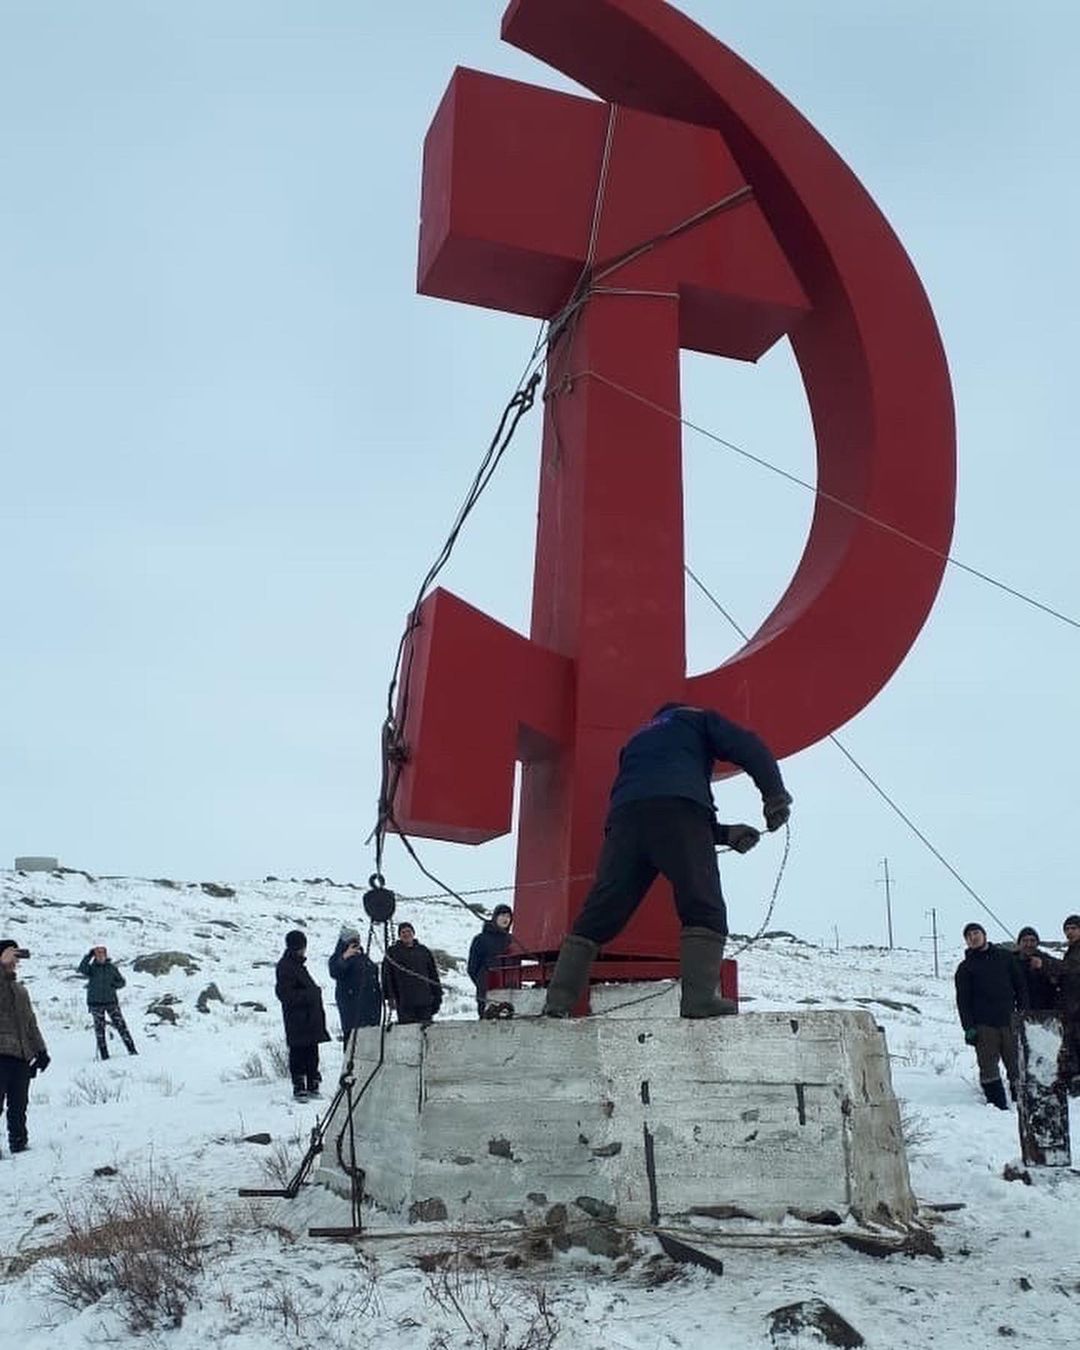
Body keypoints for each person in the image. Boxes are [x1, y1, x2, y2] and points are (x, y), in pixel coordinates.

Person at [542, 703, 792, 1019]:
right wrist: (775, 796)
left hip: (624, 821)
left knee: (600, 913)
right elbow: (749, 747)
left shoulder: (637, 739)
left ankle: (557, 1002)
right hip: (680, 811)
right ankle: (699, 1001)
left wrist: (725, 834)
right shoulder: (699, 719)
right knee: (704, 905)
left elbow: (656, 807)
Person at [954, 921, 1026, 1109]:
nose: (973, 937)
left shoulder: (1005, 958)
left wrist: (1023, 1013)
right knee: (988, 1068)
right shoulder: (965, 968)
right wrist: (968, 1027)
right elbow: (963, 1002)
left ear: (984, 935)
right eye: (969, 936)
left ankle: (1022, 1103)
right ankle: (997, 1106)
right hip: (983, 1026)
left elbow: (1020, 987)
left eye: (976, 933)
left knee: (1016, 1066)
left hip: (1009, 1021)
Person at [0, 940, 49, 1155]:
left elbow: (30, 1023)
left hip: (21, 1055)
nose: (15, 961)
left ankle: (19, 1143)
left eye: (16, 958)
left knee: (19, 1105)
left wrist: (40, 1051)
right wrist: (2, 966)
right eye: (12, 956)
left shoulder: (21, 990)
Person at [275, 930, 330, 1101]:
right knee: (299, 1052)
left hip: (308, 1019)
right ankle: (300, 1087)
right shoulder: (286, 966)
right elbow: (285, 994)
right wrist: (311, 994)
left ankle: (313, 1084)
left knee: (311, 1052)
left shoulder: (296, 965)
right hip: (298, 1019)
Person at [1041, 914, 1080, 1094]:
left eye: (1073, 928)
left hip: (1076, 1010)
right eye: (1067, 929)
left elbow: (1070, 968)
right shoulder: (1071, 950)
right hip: (1070, 1010)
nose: (1069, 932)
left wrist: (1045, 963)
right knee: (1070, 1047)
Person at [77, 943, 137, 1059]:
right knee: (100, 1031)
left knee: (121, 1026)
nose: (100, 956)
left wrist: (113, 985)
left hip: (111, 1002)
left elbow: (122, 982)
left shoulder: (112, 968)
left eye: (102, 953)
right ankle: (104, 1055)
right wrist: (88, 956)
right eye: (97, 953)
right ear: (95, 955)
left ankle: (132, 1050)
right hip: (96, 1004)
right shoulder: (91, 968)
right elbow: (81, 968)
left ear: (105, 954)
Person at [327, 925, 382, 1037]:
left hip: (371, 1006)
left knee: (370, 1039)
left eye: (357, 940)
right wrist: (345, 957)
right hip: (352, 1006)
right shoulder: (338, 957)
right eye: (352, 940)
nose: (356, 943)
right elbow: (335, 972)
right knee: (353, 1040)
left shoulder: (363, 957)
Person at [382, 922, 442, 1025]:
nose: (406, 934)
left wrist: (437, 994)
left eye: (408, 931)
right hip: (404, 1002)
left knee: (426, 1033)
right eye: (403, 932)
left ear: (413, 933)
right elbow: (386, 976)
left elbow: (433, 974)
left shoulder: (423, 951)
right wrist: (390, 997)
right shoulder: (393, 952)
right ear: (399, 935)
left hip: (425, 1001)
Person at [467, 905, 515, 1018]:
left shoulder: (512, 940)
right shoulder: (480, 939)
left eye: (508, 916)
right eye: (502, 915)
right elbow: (472, 968)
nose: (506, 919)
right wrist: (481, 982)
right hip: (487, 987)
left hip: (510, 989)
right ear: (495, 917)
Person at [1014, 926, 1058, 1013]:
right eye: (1025, 941)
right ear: (1019, 943)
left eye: (1032, 941)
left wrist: (1043, 966)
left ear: (1037, 943)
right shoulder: (1011, 961)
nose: (1029, 944)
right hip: (1019, 1011)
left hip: (1045, 1012)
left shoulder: (1047, 959)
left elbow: (1058, 977)